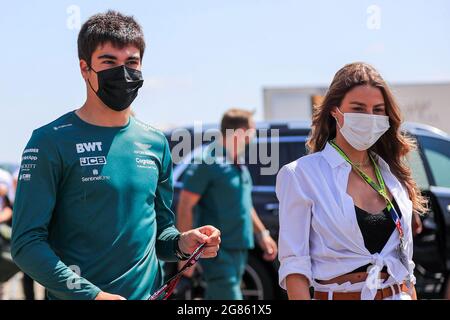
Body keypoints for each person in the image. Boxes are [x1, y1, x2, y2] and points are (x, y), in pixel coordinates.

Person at [11, 11, 220, 300]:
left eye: (131, 62)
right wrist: (93, 296)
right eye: (109, 62)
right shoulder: (49, 141)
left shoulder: (155, 142)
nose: (123, 72)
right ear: (85, 69)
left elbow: (160, 233)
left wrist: (184, 243)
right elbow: (25, 245)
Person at [276, 62, 428, 300]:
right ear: (334, 111)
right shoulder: (301, 175)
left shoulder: (392, 175)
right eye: (358, 108)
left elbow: (405, 265)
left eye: (378, 110)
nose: (369, 117)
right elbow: (295, 267)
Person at [176, 108, 278, 300]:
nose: (252, 139)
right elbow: (185, 206)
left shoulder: (235, 161)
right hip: (216, 251)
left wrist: (262, 234)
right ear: (239, 133)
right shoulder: (207, 162)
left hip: (238, 248)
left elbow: (244, 203)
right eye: (251, 132)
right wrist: (185, 254)